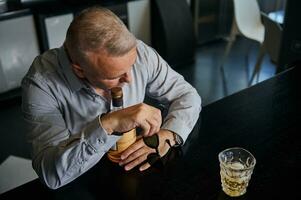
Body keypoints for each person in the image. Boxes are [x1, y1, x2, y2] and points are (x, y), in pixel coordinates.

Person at [21, 6, 202, 189]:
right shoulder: (41, 83)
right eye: (114, 76)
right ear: (80, 70)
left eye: (131, 66)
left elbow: (187, 95)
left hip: (135, 172)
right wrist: (109, 125)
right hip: (81, 180)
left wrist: (169, 134)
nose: (129, 79)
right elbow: (51, 175)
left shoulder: (138, 52)